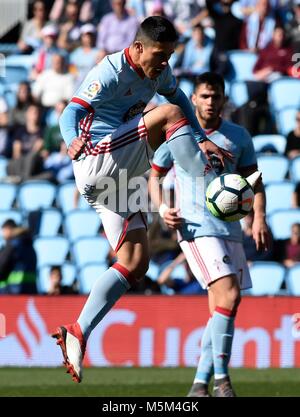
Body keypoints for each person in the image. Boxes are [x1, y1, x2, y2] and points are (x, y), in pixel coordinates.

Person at [53, 16, 231, 383]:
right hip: (96, 158)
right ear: (137, 48)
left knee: (135, 262)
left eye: (169, 56)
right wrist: (72, 138)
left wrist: (202, 136)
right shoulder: (110, 70)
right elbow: (70, 112)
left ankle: (78, 331)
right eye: (159, 54)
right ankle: (207, 180)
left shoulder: (157, 73)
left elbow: (179, 94)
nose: (164, 62)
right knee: (166, 115)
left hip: (117, 179)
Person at [148, 72, 270, 396]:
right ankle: (222, 381)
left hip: (230, 228)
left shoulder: (238, 136)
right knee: (229, 296)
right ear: (195, 99)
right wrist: (162, 209)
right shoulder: (180, 134)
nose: (211, 102)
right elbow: (154, 177)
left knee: (222, 307)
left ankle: (199, 385)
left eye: (216, 96)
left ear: (224, 99)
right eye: (204, 96)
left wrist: (259, 218)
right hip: (196, 228)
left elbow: (255, 181)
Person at [0, 219, 37, 294]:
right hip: (31, 293)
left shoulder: (12, 246)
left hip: (12, 293)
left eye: (4, 230)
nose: (3, 234)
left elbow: (1, 266)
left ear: (9, 229)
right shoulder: (30, 247)